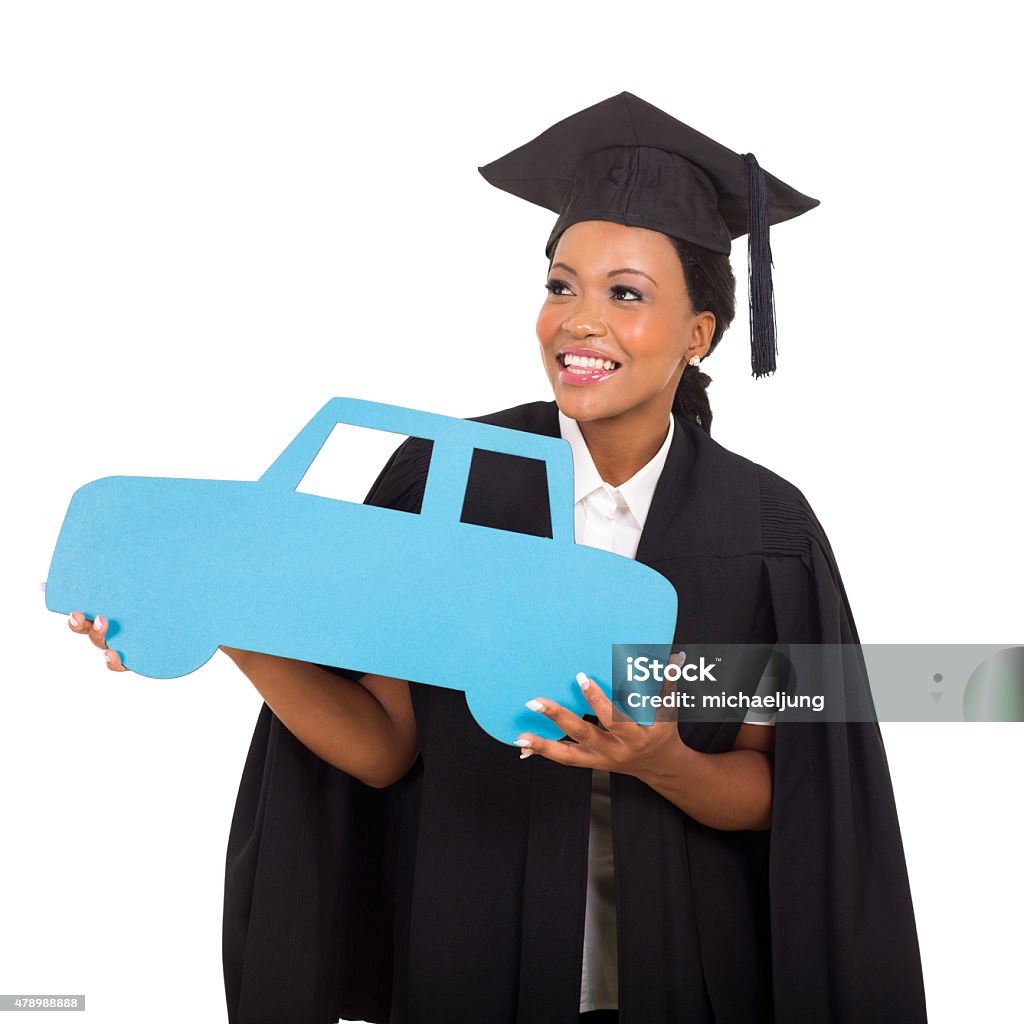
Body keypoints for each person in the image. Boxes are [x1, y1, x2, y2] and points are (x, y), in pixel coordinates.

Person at [68, 92, 928, 1023]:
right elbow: (384, 745)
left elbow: (790, 791)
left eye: (625, 294)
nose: (579, 321)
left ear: (699, 334)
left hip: (691, 974)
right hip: (465, 953)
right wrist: (225, 614)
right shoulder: (447, 480)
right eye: (561, 285)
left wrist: (662, 760)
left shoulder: (767, 535)